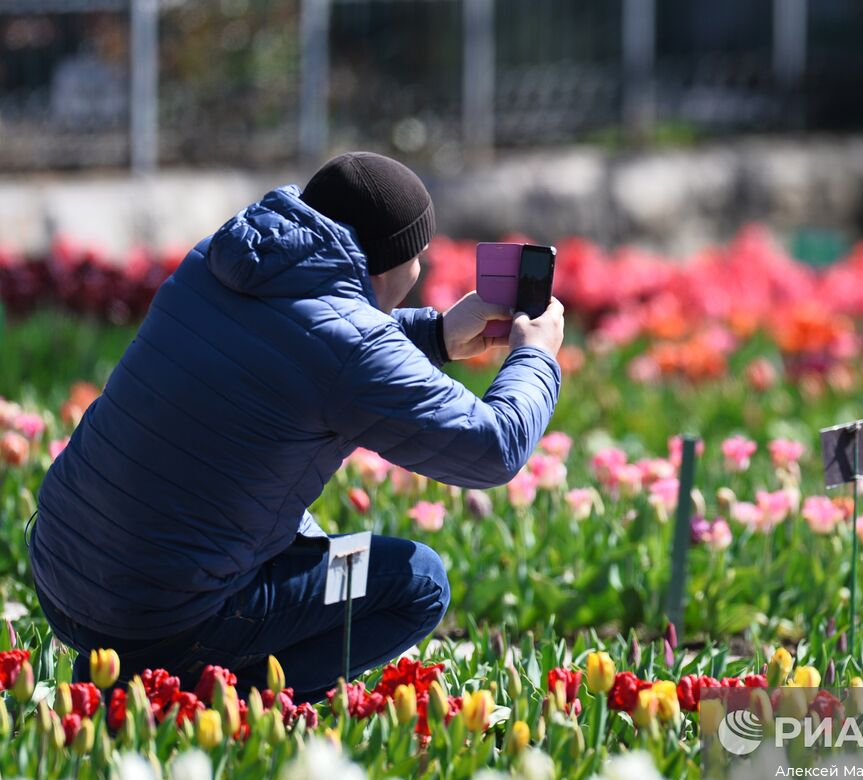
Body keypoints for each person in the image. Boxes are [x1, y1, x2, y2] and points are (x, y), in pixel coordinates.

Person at [27, 151, 565, 701]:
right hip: (158, 619)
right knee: (417, 580)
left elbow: (304, 342)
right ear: (393, 263)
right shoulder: (352, 351)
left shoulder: (218, 261)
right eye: (419, 253)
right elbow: (494, 447)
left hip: (62, 573)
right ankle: (214, 700)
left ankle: (139, 676)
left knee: (305, 534)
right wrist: (536, 356)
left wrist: (437, 336)